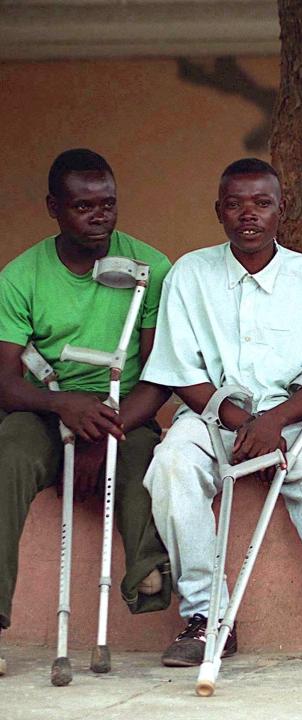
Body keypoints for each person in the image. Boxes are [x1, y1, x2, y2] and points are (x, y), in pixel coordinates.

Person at [142, 158, 302, 667]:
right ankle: (208, 619)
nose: (248, 214)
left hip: (293, 419)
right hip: (211, 416)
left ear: (281, 210)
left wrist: (272, 422)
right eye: (235, 204)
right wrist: (236, 420)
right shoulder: (189, 274)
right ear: (219, 212)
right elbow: (181, 371)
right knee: (172, 465)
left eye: (262, 203)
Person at [0, 149, 172, 674]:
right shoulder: (20, 276)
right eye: (83, 206)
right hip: (46, 404)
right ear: (54, 207)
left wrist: (107, 426)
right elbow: (4, 381)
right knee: (7, 455)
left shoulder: (152, 267)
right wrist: (62, 405)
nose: (99, 216)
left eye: (108, 204)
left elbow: (161, 372)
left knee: (146, 454)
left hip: (125, 410)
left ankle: (146, 572)